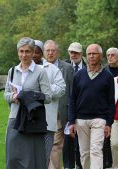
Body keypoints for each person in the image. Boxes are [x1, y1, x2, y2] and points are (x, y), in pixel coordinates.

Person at [4, 37, 52, 169]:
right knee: (12, 158)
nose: (24, 55)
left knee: (31, 159)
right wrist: (14, 96)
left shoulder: (40, 71)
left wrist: (28, 95)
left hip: (32, 120)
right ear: (18, 52)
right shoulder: (12, 71)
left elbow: (48, 97)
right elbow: (5, 94)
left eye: (27, 51)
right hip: (14, 118)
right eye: (21, 51)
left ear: (32, 52)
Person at [69, 44, 115, 169]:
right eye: (89, 53)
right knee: (84, 153)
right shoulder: (79, 75)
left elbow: (111, 102)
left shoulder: (108, 77)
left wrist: (109, 123)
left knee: (96, 151)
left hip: (99, 119)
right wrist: (72, 121)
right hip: (81, 119)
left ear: (100, 55)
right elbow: (72, 99)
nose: (91, 56)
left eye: (94, 53)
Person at [33, 40, 66, 167]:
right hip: (28, 120)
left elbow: (61, 89)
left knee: (46, 154)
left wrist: (44, 88)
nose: (34, 55)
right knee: (30, 154)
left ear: (42, 53)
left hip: (47, 119)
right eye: (32, 52)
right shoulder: (21, 69)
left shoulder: (52, 69)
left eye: (37, 52)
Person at [44, 40, 75, 169]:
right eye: (48, 51)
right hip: (42, 113)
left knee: (55, 146)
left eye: (53, 50)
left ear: (58, 52)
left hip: (60, 113)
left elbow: (73, 92)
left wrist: (72, 115)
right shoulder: (37, 67)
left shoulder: (67, 68)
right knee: (43, 147)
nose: (50, 53)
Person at [65, 42, 85, 169]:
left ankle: (81, 165)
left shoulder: (88, 66)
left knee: (82, 141)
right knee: (68, 141)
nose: (73, 55)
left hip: (84, 108)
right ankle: (68, 166)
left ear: (81, 53)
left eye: (76, 52)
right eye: (71, 52)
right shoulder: (65, 66)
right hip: (67, 108)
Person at [104, 47, 118, 168]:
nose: (110, 57)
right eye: (108, 55)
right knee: (106, 134)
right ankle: (107, 161)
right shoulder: (104, 70)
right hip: (106, 107)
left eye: (112, 55)